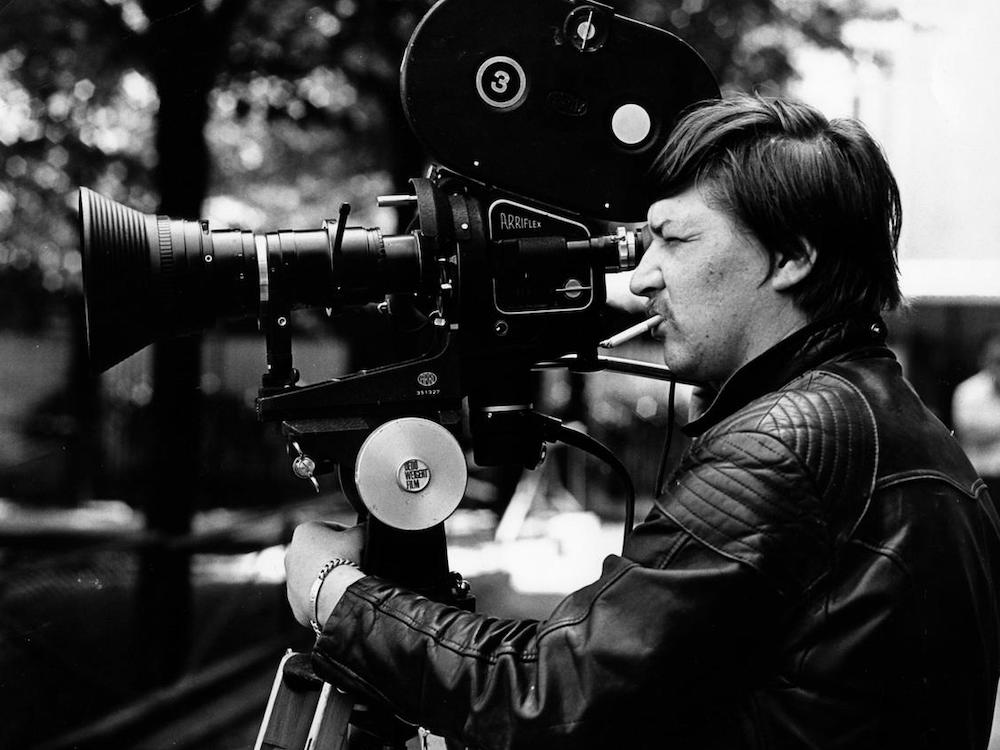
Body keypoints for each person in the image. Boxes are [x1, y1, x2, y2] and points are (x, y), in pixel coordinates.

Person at [285, 95, 1000, 748]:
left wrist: (338, 596)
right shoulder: (887, 419)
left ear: (792, 256)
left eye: (676, 241)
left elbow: (552, 693)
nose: (644, 275)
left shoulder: (786, 444)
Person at [953, 327, 1000, 503]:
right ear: (985, 359)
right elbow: (969, 434)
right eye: (997, 360)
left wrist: (988, 430)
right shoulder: (968, 391)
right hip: (981, 479)